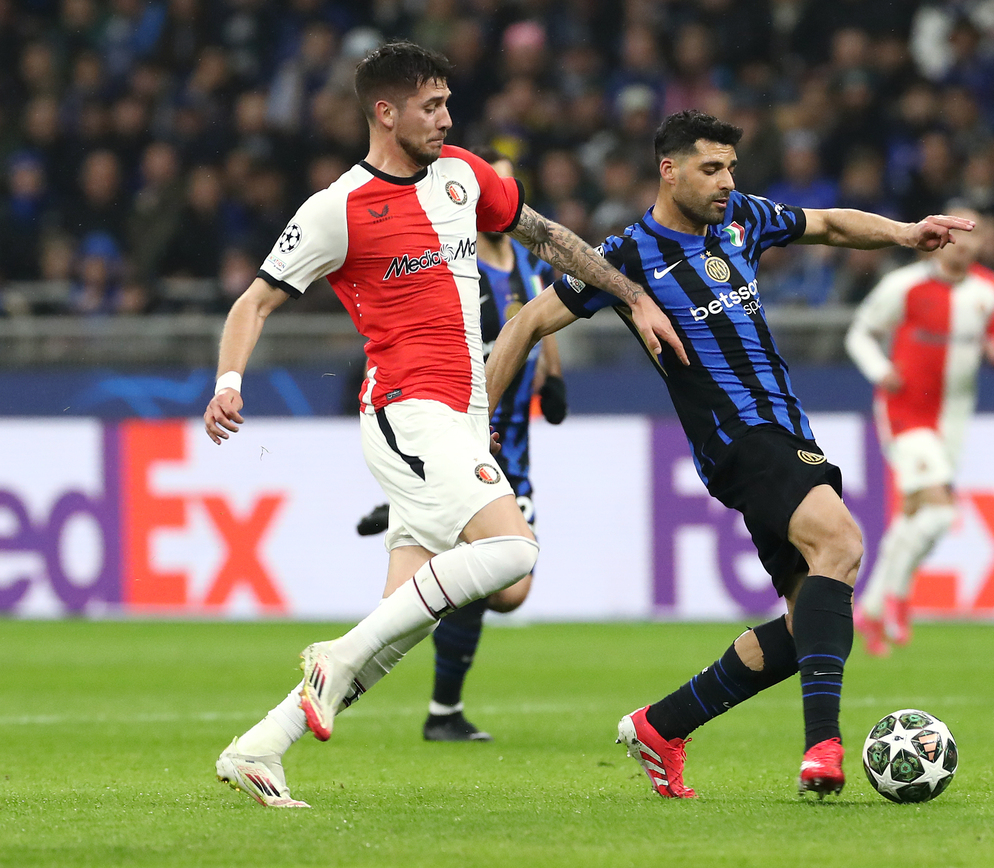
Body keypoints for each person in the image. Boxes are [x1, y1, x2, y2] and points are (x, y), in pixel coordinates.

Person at [204, 41, 685, 809]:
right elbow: (253, 302)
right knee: (513, 551)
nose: (447, 118)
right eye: (430, 106)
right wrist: (228, 382)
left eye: (448, 103)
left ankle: (259, 746)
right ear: (385, 113)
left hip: (460, 419)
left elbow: (544, 236)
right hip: (406, 410)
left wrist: (632, 295)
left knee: (400, 627)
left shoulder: (464, 174)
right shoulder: (337, 209)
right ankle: (332, 656)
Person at [484, 109, 972, 800]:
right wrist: (478, 418)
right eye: (711, 168)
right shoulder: (625, 257)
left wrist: (904, 232)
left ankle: (662, 726)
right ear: (669, 170)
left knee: (811, 619)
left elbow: (828, 225)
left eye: (731, 168)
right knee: (841, 542)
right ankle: (823, 748)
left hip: (787, 430)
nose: (726, 182)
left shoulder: (741, 218)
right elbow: (526, 323)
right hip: (737, 439)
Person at [356, 147, 568, 743]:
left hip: (515, 440)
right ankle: (443, 710)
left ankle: (414, 511)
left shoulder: (523, 260)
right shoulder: (456, 259)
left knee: (510, 591)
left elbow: (538, 316)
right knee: (496, 568)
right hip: (469, 430)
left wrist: (554, 375)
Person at [845, 207, 994, 657]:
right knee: (941, 512)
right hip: (905, 412)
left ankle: (869, 610)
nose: (963, 243)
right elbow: (860, 333)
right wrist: (880, 369)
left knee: (915, 518)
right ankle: (898, 596)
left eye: (972, 235)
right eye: (954, 233)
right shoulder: (904, 285)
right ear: (939, 238)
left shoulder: (988, 290)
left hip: (953, 419)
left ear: (982, 243)